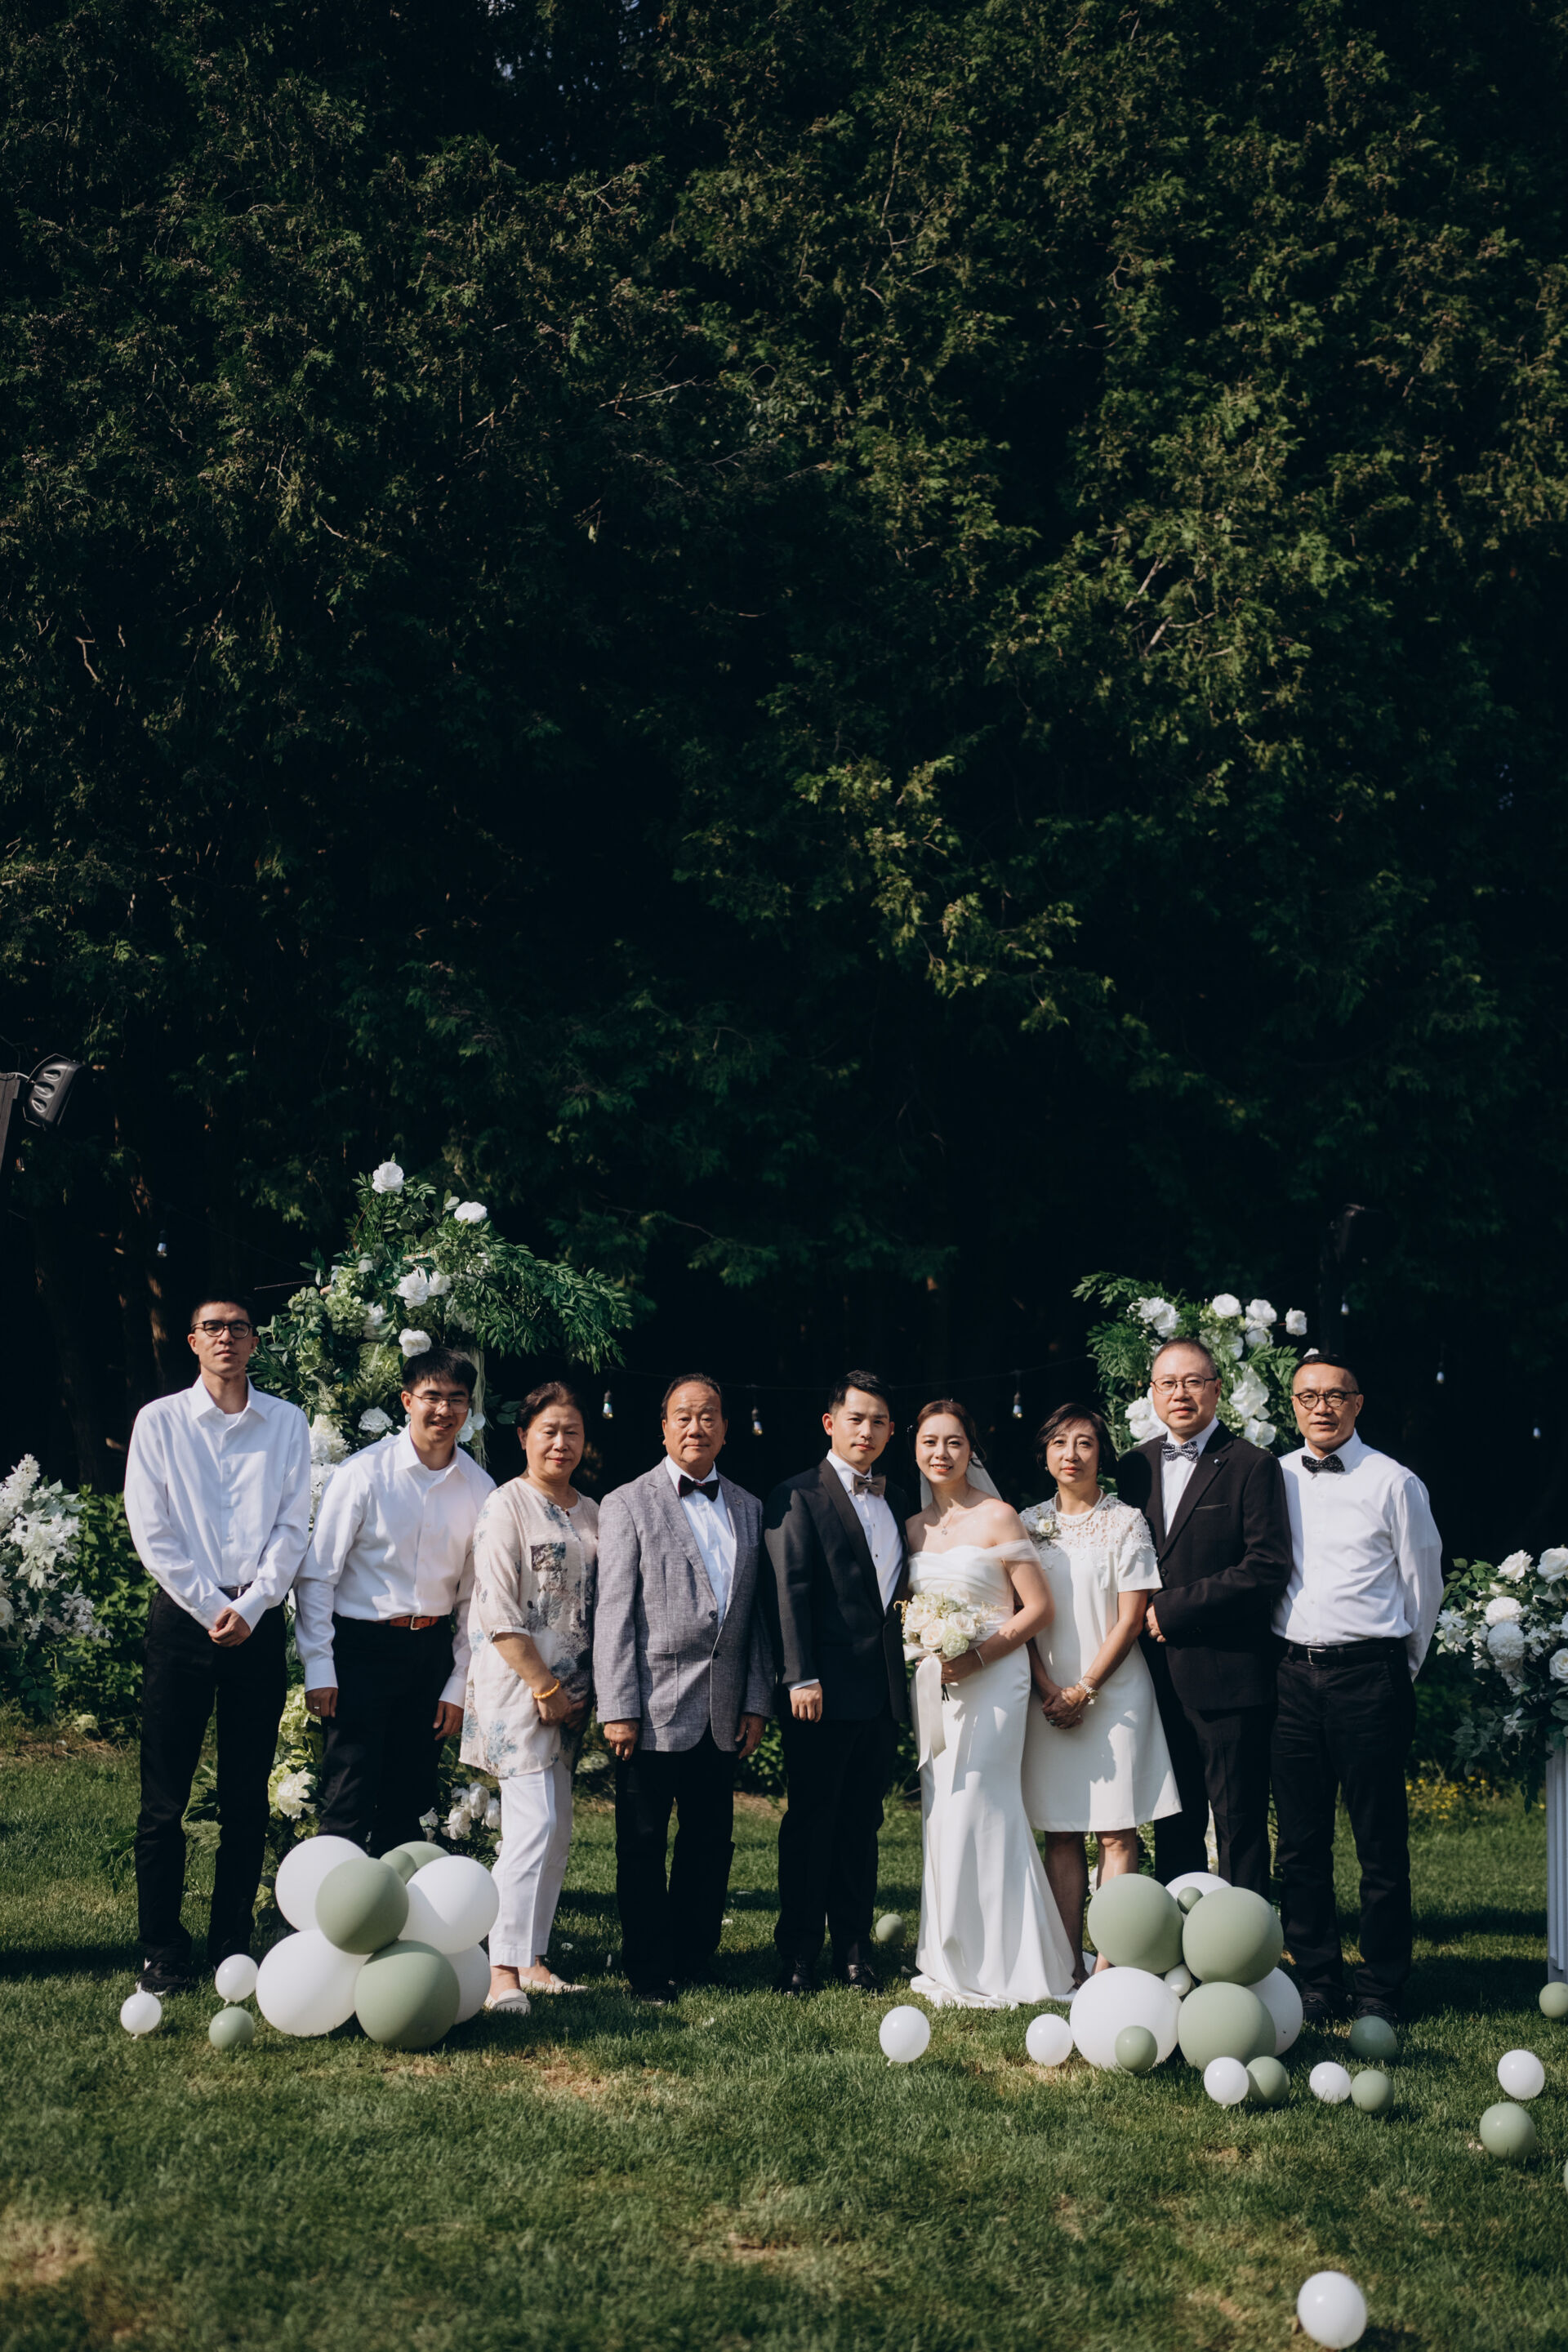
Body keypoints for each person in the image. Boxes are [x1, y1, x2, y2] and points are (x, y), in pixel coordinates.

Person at [124, 1294, 311, 1994]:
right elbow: (151, 1527)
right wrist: (211, 1605)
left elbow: (294, 1525)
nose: (225, 1337)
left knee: (246, 1796)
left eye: (237, 1327)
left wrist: (255, 1603)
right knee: (164, 1799)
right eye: (212, 1327)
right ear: (192, 1342)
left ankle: (231, 1942)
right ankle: (161, 1949)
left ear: (254, 1342)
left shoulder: (286, 1422)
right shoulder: (160, 1421)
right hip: (182, 1622)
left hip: (256, 1623)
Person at [1271, 1352, 1443, 2025]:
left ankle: (1382, 1986)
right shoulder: (1274, 1476)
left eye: (1336, 1395)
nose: (1322, 1407)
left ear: (1358, 1404)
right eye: (1308, 1396)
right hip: (1290, 1677)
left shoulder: (1394, 1483)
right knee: (1300, 1845)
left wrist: (1397, 1669)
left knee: (1379, 1842)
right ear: (1293, 1405)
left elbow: (1422, 1587)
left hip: (1370, 1677)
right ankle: (1317, 1980)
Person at [592, 1374, 772, 2002]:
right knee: (642, 1843)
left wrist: (756, 1700)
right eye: (684, 1416)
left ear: (725, 1429)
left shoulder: (748, 1506)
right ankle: (647, 1968)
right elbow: (614, 1612)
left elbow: (753, 1616)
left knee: (710, 1842)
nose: (697, 1427)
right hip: (651, 1707)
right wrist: (618, 1707)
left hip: (723, 1708)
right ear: (664, 1428)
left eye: (709, 1416)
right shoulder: (627, 1503)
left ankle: (695, 1957)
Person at [904, 1398, 1076, 2007]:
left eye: (953, 1442)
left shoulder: (999, 1516)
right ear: (915, 1449)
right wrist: (928, 1643)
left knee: (983, 1803)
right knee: (943, 1810)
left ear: (971, 1450)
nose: (941, 1453)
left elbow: (1039, 1609)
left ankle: (1011, 1962)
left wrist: (976, 1656)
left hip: (996, 1681)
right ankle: (950, 1954)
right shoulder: (914, 1528)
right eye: (930, 1442)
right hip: (938, 1687)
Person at [298, 1346, 494, 1855]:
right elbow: (318, 1575)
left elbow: (476, 1599)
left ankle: (393, 1902)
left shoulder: (480, 1489)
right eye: (432, 1396)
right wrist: (319, 1665)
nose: (444, 1410)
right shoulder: (363, 1474)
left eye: (457, 1399)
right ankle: (330, 1900)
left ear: (468, 1407)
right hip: (360, 1649)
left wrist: (458, 1684)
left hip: (430, 1653)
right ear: (408, 1401)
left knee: (408, 1800)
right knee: (348, 1792)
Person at [1116, 1337, 1292, 1895]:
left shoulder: (1252, 1465)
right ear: (1152, 1393)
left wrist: (1172, 1609)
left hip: (1227, 1673)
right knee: (1173, 1817)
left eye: (1193, 1382)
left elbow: (1266, 1567)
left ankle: (1244, 1934)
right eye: (1168, 1383)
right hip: (1151, 1674)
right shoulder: (1134, 1466)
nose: (1181, 1394)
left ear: (1216, 1389)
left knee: (1238, 1822)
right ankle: (1177, 1930)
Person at [760, 1371, 910, 1996]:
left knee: (862, 1826)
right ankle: (797, 1954)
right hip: (818, 1693)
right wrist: (800, 1675)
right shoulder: (797, 1495)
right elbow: (788, 1591)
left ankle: (854, 1953)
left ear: (891, 1431)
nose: (866, 1431)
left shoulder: (900, 1500)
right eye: (856, 1419)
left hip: (881, 1694)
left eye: (878, 1421)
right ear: (831, 1423)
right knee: (811, 1825)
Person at [1019, 1404, 1180, 1981]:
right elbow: (1016, 1616)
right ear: (1045, 1454)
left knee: (1117, 1831)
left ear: (1100, 1454)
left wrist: (1084, 1689)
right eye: (1060, 1443)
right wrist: (1049, 1689)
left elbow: (1131, 1619)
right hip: (1047, 1700)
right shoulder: (1025, 1525)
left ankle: (1112, 1964)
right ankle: (1067, 1964)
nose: (1072, 1454)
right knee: (1060, 1832)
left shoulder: (1126, 1522)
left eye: (1085, 1443)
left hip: (1115, 1696)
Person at [461, 1382, 597, 2009]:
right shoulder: (505, 1506)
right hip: (522, 1691)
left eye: (572, 1431)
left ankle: (534, 1959)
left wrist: (577, 1692)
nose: (560, 1443)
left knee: (558, 1829)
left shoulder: (593, 1512)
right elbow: (497, 1610)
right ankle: (501, 1972)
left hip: (572, 1699)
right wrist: (544, 1684)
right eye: (549, 1431)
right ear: (523, 1437)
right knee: (532, 1826)